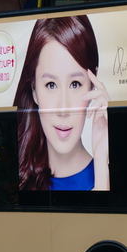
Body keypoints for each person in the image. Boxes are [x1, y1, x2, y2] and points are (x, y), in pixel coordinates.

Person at [14, 15, 110, 191]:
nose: (63, 109)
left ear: (93, 85)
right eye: (51, 85)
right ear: (34, 89)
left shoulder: (107, 177)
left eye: (75, 84)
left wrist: (102, 163)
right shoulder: (18, 179)